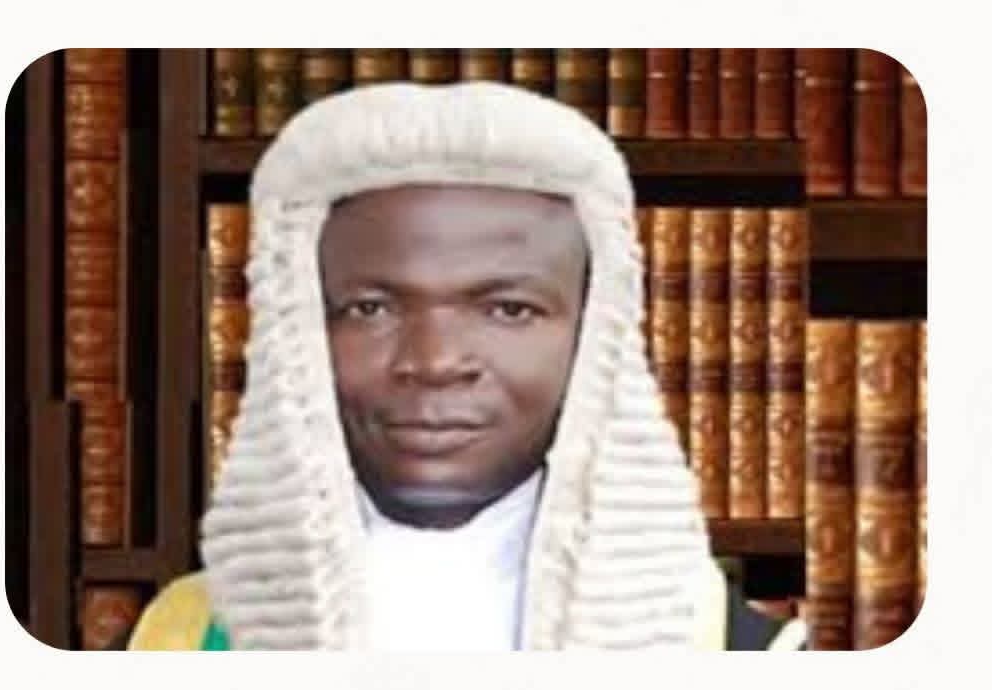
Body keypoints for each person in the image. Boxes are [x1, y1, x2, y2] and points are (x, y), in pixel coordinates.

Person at [126, 80, 806, 651]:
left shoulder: (735, 649)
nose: (435, 362)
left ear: (596, 333)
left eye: (508, 309)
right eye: (369, 308)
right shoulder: (175, 640)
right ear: (294, 330)